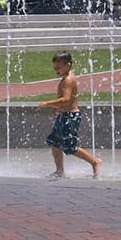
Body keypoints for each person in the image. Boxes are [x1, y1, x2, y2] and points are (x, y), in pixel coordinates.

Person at [37, 51, 102, 179]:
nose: (56, 70)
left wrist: (47, 103)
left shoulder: (68, 80)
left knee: (70, 146)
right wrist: (57, 108)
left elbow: (66, 99)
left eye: (59, 67)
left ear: (68, 65)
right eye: (55, 68)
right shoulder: (64, 78)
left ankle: (94, 161)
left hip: (71, 116)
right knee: (55, 142)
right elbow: (64, 100)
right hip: (64, 114)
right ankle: (60, 171)